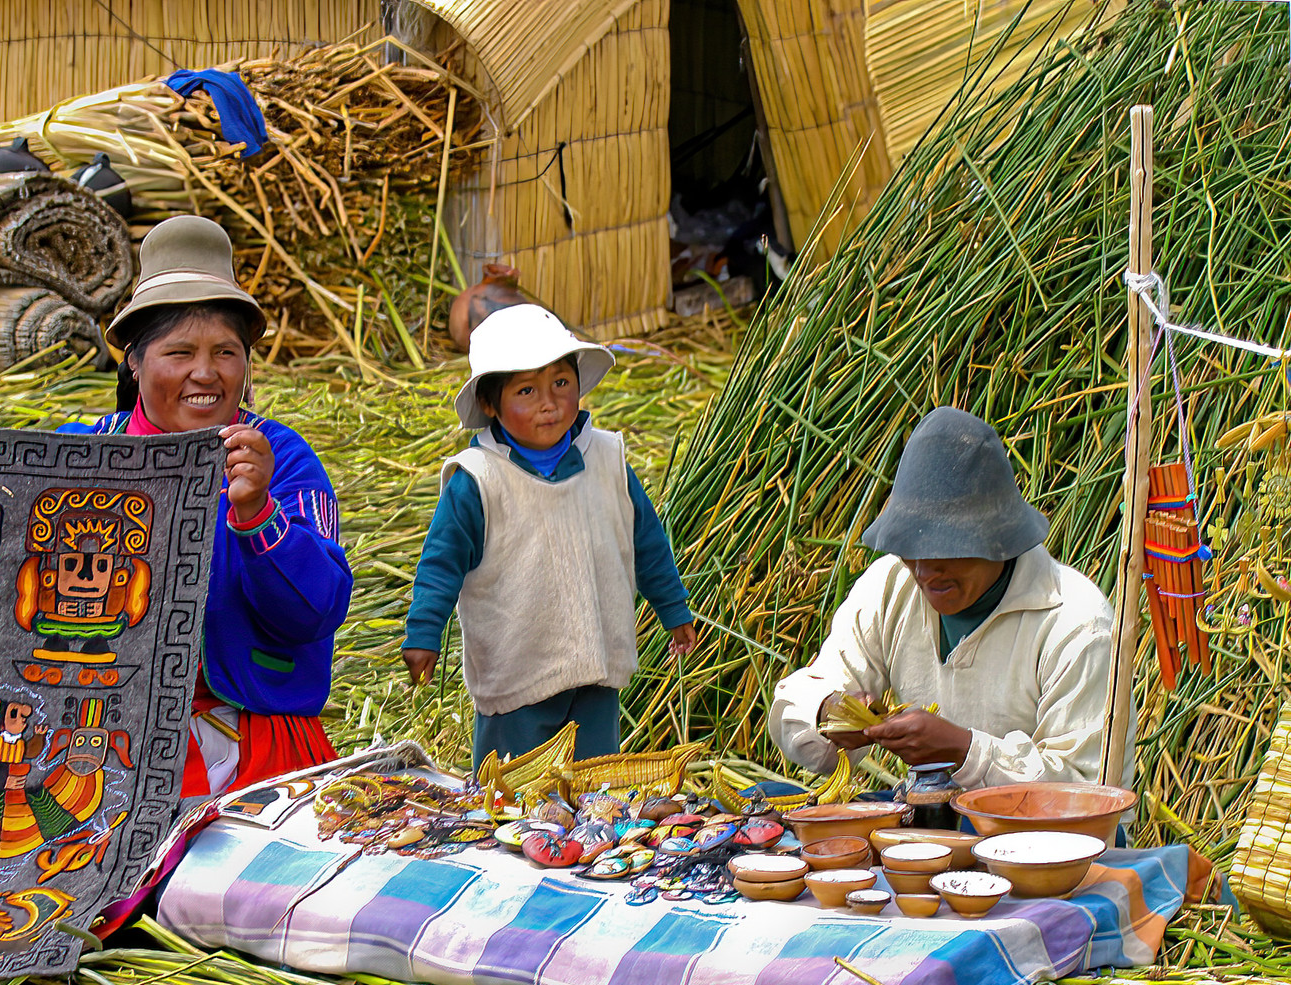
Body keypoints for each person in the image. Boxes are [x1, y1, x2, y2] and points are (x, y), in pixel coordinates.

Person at [57, 215, 353, 796]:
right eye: (179, 352)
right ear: (135, 363)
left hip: (251, 745)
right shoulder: (81, 455)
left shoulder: (279, 458)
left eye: (225, 351)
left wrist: (257, 515)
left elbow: (316, 612)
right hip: (94, 749)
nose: (205, 372)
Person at [769, 406, 1128, 791]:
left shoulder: (1077, 624)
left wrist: (964, 751)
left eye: (945, 551)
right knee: (771, 797)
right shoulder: (891, 585)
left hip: (1046, 841)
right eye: (911, 549)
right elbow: (804, 721)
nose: (924, 571)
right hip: (934, 822)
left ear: (998, 542)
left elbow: (1086, 790)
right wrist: (831, 712)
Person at [402, 304, 697, 766]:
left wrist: (673, 607)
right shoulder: (477, 480)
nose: (549, 402)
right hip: (518, 674)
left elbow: (646, 542)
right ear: (489, 404)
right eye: (526, 390)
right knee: (513, 808)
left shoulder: (607, 460)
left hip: (595, 667)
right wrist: (423, 633)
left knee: (597, 792)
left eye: (561, 383)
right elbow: (441, 563)